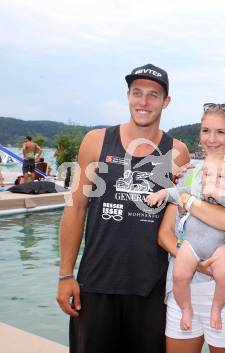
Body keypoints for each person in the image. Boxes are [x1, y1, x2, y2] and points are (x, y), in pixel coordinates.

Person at [56, 63, 190, 353]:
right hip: (96, 284)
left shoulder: (177, 151)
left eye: (153, 95)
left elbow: (184, 216)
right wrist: (65, 275)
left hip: (151, 290)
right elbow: (76, 208)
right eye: (137, 93)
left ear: (166, 101)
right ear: (127, 96)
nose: (144, 101)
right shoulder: (97, 141)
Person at [158, 104, 225, 353]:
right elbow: (165, 234)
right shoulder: (190, 173)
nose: (211, 139)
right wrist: (191, 260)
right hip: (182, 291)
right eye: (206, 131)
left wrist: (189, 202)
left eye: (221, 132)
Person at [147, 151, 225, 331]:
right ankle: (186, 308)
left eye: (220, 176)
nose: (212, 180)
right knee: (179, 276)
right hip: (192, 244)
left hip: (218, 247)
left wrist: (217, 193)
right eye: (207, 174)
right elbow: (179, 192)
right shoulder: (196, 189)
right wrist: (163, 193)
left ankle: (216, 308)